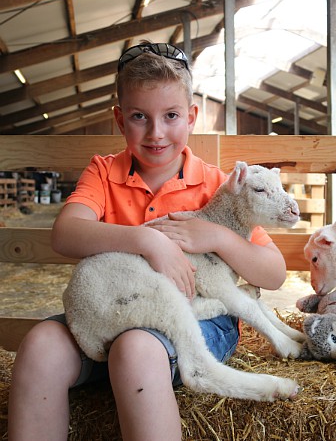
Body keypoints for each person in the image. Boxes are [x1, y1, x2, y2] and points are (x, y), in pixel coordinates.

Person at [7, 42, 289, 441]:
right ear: (121, 120)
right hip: (111, 315)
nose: (156, 133)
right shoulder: (104, 172)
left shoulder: (217, 186)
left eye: (170, 116)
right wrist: (147, 241)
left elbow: (275, 273)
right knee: (39, 346)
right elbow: (65, 234)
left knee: (135, 350)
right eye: (140, 117)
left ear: (191, 117)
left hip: (193, 324)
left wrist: (217, 236)